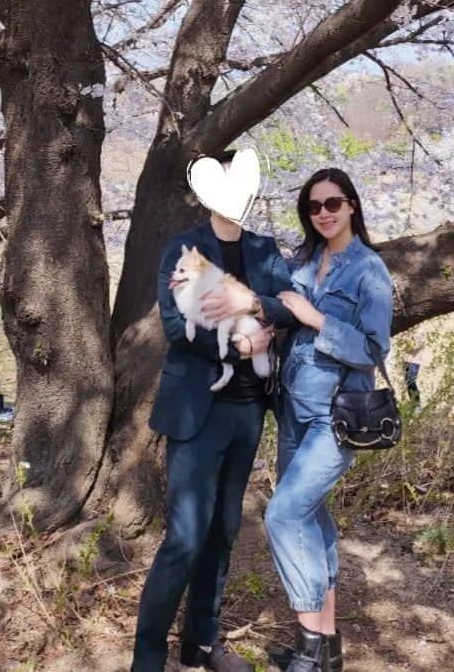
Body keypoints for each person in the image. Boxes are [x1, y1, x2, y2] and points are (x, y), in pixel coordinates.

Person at [132, 162, 297, 672]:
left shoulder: (266, 250)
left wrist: (255, 301)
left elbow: (290, 306)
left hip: (248, 409)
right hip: (197, 410)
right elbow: (175, 326)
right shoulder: (183, 249)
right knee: (184, 536)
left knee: (224, 530)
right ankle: (148, 660)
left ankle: (201, 644)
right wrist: (241, 345)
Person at [265, 168, 393, 672]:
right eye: (314, 206)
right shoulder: (305, 261)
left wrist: (317, 318)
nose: (323, 213)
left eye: (333, 203)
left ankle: (311, 647)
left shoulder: (369, 270)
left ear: (352, 206)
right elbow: (285, 322)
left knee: (284, 514)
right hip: (293, 410)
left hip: (335, 416)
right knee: (312, 520)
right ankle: (325, 651)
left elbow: (372, 347)